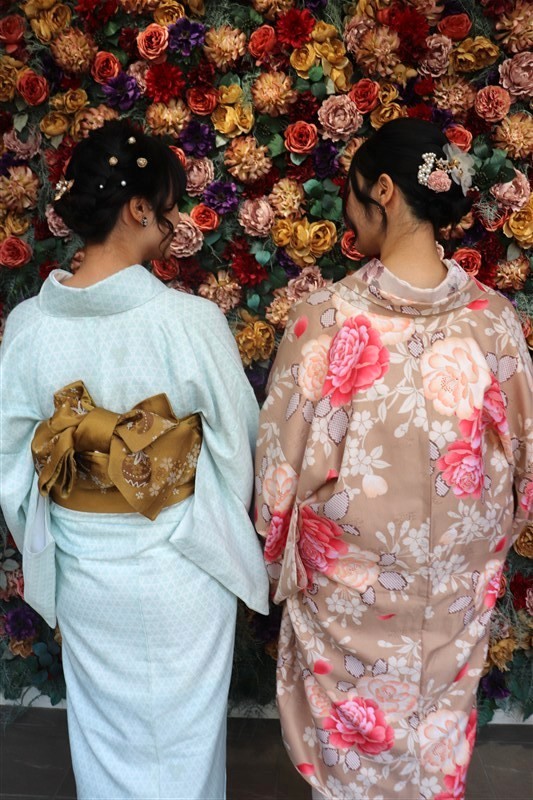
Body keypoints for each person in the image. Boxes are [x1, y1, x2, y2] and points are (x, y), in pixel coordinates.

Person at [254, 118, 532, 800]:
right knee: (435, 727)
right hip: (455, 580)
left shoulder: (323, 319)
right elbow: (523, 458)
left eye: (353, 193)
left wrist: (277, 558)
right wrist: (486, 538)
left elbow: (280, 473)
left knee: (353, 746)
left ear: (382, 189)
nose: (348, 214)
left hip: (351, 587)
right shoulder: (491, 318)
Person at [0, 119, 269, 800]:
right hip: (182, 565)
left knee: (104, 740)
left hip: (86, 570)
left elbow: (12, 467)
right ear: (138, 209)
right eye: (169, 205)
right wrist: (207, 515)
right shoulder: (189, 324)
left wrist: (51, 535)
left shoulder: (30, 327)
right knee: (186, 746)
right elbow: (237, 445)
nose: (174, 221)